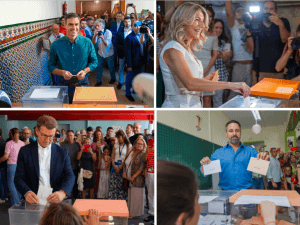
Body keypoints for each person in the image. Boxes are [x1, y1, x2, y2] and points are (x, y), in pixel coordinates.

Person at [160, 2, 250, 108]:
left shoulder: (186, 48)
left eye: (203, 21)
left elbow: (185, 82)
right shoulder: (173, 48)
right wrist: (230, 85)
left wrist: (205, 80)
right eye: (197, 20)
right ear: (183, 21)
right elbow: (190, 84)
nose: (202, 26)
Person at [15, 115, 75, 204]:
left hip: (55, 201)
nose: (47, 140)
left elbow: (70, 175)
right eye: (44, 135)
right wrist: (26, 192)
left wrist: (63, 192)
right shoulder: (25, 151)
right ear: (37, 131)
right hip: (33, 201)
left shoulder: (62, 152)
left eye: (51, 136)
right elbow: (18, 178)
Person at [200, 120, 269, 190]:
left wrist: (264, 159)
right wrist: (204, 165)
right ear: (226, 133)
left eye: (237, 130)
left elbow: (261, 170)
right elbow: (205, 172)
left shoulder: (250, 151)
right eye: (231, 131)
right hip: (225, 193)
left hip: (246, 192)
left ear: (240, 132)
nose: (234, 133)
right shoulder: (218, 153)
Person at [48, 13, 98, 104]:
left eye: (76, 24)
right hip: (63, 86)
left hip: (83, 84)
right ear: (65, 25)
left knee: (83, 112)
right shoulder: (56, 45)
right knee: (65, 113)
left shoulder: (87, 42)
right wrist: (62, 72)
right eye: (70, 24)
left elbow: (94, 62)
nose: (74, 27)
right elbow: (50, 66)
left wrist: (85, 71)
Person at [252, 1, 290, 84]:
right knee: (257, 96)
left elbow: (286, 40)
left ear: (275, 11)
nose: (268, 11)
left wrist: (280, 24)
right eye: (265, 9)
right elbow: (250, 47)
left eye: (271, 9)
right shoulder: (255, 23)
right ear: (262, 10)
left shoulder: (283, 21)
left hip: (278, 71)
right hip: (258, 71)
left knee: (277, 96)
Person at [225, 0, 254, 100]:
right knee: (234, 94)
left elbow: (252, 48)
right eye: (238, 10)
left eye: (243, 10)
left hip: (251, 66)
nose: (241, 12)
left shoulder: (251, 25)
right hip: (239, 65)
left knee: (249, 94)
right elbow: (228, 12)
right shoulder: (234, 24)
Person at [194, 5, 218, 108]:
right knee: (194, 98)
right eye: (206, 15)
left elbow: (215, 55)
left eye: (210, 16)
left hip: (209, 67)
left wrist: (206, 70)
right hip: (194, 66)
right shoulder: (194, 30)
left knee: (207, 99)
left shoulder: (214, 33)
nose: (209, 18)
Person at [0, 128, 24, 205]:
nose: (8, 134)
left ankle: (16, 203)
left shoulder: (9, 143)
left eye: (9, 133)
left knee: (11, 184)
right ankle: (19, 201)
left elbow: (5, 157)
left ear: (12, 134)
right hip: (20, 166)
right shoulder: (22, 143)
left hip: (12, 165)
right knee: (18, 183)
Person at [123, 138, 146, 218]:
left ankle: (134, 214)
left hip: (137, 179)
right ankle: (130, 212)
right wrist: (124, 172)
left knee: (136, 196)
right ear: (135, 144)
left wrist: (133, 176)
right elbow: (126, 163)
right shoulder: (131, 152)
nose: (139, 145)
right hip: (128, 177)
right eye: (138, 143)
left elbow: (141, 168)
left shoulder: (143, 154)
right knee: (131, 195)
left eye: (141, 144)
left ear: (144, 146)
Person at [124, 19, 146, 102]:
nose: (138, 27)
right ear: (132, 27)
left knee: (138, 78)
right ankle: (127, 93)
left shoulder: (143, 34)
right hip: (132, 62)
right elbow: (127, 53)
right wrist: (128, 65)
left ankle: (135, 89)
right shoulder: (129, 38)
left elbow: (144, 47)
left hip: (141, 61)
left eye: (139, 25)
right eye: (136, 25)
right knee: (129, 78)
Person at [213, 19, 232, 108]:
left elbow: (224, 61)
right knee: (208, 100)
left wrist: (227, 56)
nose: (219, 30)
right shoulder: (206, 40)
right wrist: (220, 55)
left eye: (221, 28)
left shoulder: (223, 41)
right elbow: (206, 57)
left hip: (221, 74)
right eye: (216, 27)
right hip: (210, 74)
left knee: (218, 99)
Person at [108, 129, 131, 200]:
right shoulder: (116, 145)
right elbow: (112, 156)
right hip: (114, 167)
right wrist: (114, 166)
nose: (118, 139)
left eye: (119, 137)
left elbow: (127, 158)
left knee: (121, 187)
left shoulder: (129, 145)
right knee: (113, 187)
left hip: (123, 168)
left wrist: (120, 167)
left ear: (123, 136)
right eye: (117, 137)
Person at [92, 19, 116, 86]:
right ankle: (98, 81)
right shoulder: (96, 32)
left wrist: (102, 38)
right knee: (98, 67)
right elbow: (93, 43)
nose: (96, 27)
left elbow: (107, 44)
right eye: (96, 26)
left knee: (111, 67)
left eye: (98, 26)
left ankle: (113, 78)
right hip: (100, 53)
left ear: (102, 26)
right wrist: (95, 36)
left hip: (109, 53)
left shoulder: (108, 32)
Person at [61, 130, 81, 199]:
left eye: (71, 135)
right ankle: (67, 198)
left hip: (75, 167)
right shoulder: (63, 144)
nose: (70, 137)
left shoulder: (77, 144)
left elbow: (80, 154)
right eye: (68, 135)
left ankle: (75, 198)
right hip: (66, 168)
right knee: (67, 184)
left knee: (75, 184)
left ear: (74, 136)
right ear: (66, 136)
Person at [116, 16, 132, 90]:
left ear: (131, 22)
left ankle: (129, 83)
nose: (127, 23)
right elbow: (117, 43)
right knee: (121, 69)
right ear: (124, 23)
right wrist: (124, 48)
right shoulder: (120, 32)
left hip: (131, 54)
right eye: (125, 22)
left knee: (130, 69)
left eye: (128, 21)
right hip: (122, 53)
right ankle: (120, 82)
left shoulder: (133, 32)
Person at [143, 137, 154, 224]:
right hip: (150, 173)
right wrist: (147, 150)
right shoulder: (149, 145)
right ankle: (152, 214)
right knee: (150, 194)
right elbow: (144, 160)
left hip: (157, 173)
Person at [91, 130, 106, 194]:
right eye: (97, 134)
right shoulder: (93, 144)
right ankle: (95, 194)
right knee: (95, 179)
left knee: (102, 179)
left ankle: (101, 194)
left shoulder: (104, 143)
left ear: (101, 135)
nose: (98, 136)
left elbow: (106, 154)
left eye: (99, 134)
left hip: (102, 162)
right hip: (95, 162)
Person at [0, 128, 8, 203]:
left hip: (1, 163)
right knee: (4, 181)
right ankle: (5, 196)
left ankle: (2, 197)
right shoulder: (3, 140)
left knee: (0, 182)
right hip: (4, 164)